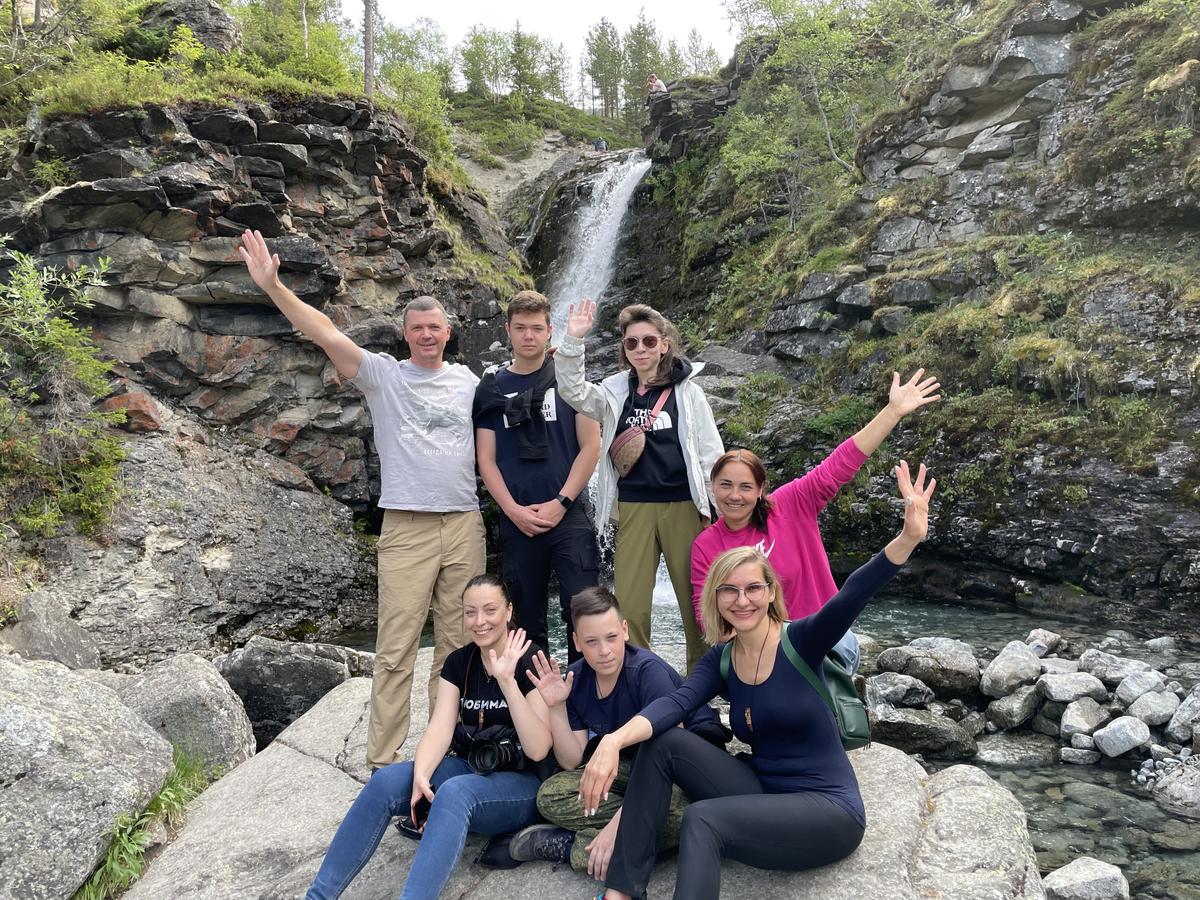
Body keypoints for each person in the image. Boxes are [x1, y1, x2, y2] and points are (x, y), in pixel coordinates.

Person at [579, 461, 937, 900]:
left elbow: (853, 594)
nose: (742, 600)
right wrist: (613, 741)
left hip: (827, 810)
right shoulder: (722, 659)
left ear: (770, 592)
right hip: (764, 792)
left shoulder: (801, 640)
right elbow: (675, 704)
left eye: (752, 588)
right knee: (663, 742)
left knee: (702, 819)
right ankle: (621, 891)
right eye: (729, 590)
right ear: (715, 598)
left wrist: (908, 538)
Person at [237, 229, 485, 769]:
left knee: (460, 647)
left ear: (447, 332)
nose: (426, 334)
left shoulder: (470, 382)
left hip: (465, 523)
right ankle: (383, 760)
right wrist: (274, 288)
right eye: (417, 328)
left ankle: (450, 749)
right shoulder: (383, 376)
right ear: (405, 334)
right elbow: (324, 331)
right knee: (395, 648)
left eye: (434, 327)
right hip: (408, 526)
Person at [306, 575, 552, 900]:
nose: (480, 621)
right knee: (385, 782)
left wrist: (507, 682)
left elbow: (539, 749)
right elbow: (440, 728)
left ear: (508, 611)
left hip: (522, 785)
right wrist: (421, 777)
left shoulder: (532, 659)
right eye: (470, 612)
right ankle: (318, 896)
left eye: (490, 610)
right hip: (472, 768)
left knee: (454, 793)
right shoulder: (459, 662)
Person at [690, 369, 940, 673]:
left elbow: (840, 463)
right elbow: (708, 618)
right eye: (725, 485)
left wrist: (892, 412)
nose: (734, 496)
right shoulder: (706, 545)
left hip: (827, 639)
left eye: (745, 487)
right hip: (759, 653)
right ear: (712, 487)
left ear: (760, 490)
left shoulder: (790, 504)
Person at [507, 587, 725, 881]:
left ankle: (574, 847)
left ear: (624, 630)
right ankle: (631, 838)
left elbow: (672, 759)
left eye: (611, 637)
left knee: (684, 818)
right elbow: (571, 760)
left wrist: (618, 824)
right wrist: (556, 708)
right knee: (550, 796)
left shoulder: (648, 672)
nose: (604, 651)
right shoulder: (576, 678)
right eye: (591, 642)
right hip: (630, 767)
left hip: (682, 774)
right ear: (576, 642)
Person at [555, 298, 723, 672]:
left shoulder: (689, 393)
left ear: (664, 344)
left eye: (649, 341)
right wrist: (574, 340)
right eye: (632, 343)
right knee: (630, 607)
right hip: (633, 508)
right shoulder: (615, 391)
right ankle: (639, 678)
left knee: (697, 604)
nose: (640, 349)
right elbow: (572, 390)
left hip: (684, 507)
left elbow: (711, 454)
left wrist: (719, 509)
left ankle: (704, 679)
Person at [473, 290, 601, 661]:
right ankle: (532, 693)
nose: (528, 336)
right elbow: (486, 459)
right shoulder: (491, 387)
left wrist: (562, 502)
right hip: (517, 519)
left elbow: (590, 447)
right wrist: (512, 510)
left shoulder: (571, 378)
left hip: (569, 513)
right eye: (520, 328)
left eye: (536, 328)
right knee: (525, 619)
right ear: (507, 330)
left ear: (549, 331)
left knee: (583, 611)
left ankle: (584, 690)